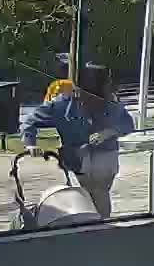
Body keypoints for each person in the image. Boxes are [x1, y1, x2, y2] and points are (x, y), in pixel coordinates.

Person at [19, 63, 133, 219]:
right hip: (75, 159)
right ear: (79, 91)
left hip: (105, 155)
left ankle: (103, 226)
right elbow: (30, 122)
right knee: (82, 197)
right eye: (91, 96)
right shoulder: (60, 105)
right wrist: (30, 144)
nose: (95, 101)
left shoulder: (110, 103)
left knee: (99, 192)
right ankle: (89, 226)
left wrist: (109, 132)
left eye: (99, 96)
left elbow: (128, 124)